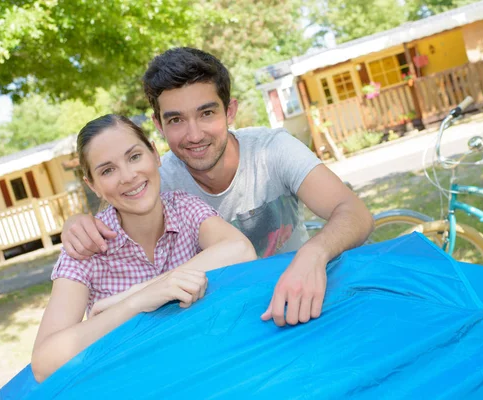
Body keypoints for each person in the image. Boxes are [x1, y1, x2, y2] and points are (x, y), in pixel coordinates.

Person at [61, 47, 375, 328]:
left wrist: (313, 254)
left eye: (207, 113)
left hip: (302, 301)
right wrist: (77, 222)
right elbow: (113, 211)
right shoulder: (156, 180)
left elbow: (354, 212)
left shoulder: (273, 151)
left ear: (230, 111)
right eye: (176, 120)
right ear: (159, 125)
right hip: (227, 327)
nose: (194, 134)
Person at [31, 114, 256, 382]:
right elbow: (44, 362)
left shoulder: (183, 207)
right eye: (107, 170)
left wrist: (146, 289)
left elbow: (241, 250)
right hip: (135, 384)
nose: (128, 176)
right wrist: (135, 303)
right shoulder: (87, 246)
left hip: (205, 371)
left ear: (154, 153)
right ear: (93, 185)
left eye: (134, 156)